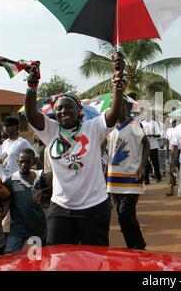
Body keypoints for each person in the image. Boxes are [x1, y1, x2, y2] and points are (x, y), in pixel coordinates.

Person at [24, 53, 125, 246]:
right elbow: (30, 114)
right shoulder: (51, 131)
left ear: (78, 110)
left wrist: (118, 80)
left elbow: (113, 114)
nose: (63, 111)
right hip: (61, 208)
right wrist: (31, 85)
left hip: (93, 207)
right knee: (57, 257)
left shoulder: (92, 127)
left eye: (68, 107)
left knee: (94, 260)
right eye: (59, 109)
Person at [106, 97, 150, 250]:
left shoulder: (135, 125)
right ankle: (132, 246)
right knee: (121, 214)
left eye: (121, 106)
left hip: (132, 177)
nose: (118, 108)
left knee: (125, 212)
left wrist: (142, 167)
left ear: (126, 108)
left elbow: (147, 144)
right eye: (114, 106)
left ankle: (139, 244)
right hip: (113, 178)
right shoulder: (108, 127)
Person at [3, 148, 50, 254]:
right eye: (21, 161)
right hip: (18, 227)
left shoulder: (40, 177)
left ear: (33, 162)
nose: (24, 164)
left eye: (27, 162)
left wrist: (44, 191)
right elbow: (3, 199)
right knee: (10, 255)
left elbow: (53, 190)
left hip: (37, 226)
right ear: (17, 161)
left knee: (37, 257)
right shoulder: (11, 181)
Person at [0, 116, 31, 245]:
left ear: (16, 127)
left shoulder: (22, 143)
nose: (5, 128)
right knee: (6, 212)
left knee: (19, 211)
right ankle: (6, 243)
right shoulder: (5, 142)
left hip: (18, 181)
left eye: (8, 125)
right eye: (4, 126)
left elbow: (31, 157)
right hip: (5, 181)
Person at [141, 110, 162, 184]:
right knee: (145, 163)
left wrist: (151, 135)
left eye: (149, 115)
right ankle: (146, 179)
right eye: (146, 115)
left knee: (155, 162)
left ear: (151, 116)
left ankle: (158, 176)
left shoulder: (154, 123)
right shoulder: (141, 123)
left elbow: (159, 135)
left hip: (153, 146)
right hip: (144, 146)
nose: (147, 116)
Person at [165, 118, 179, 196]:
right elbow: (167, 141)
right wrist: (167, 150)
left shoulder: (180, 129)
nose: (174, 123)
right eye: (173, 122)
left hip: (180, 151)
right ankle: (171, 189)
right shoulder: (168, 130)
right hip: (171, 151)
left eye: (175, 122)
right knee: (171, 171)